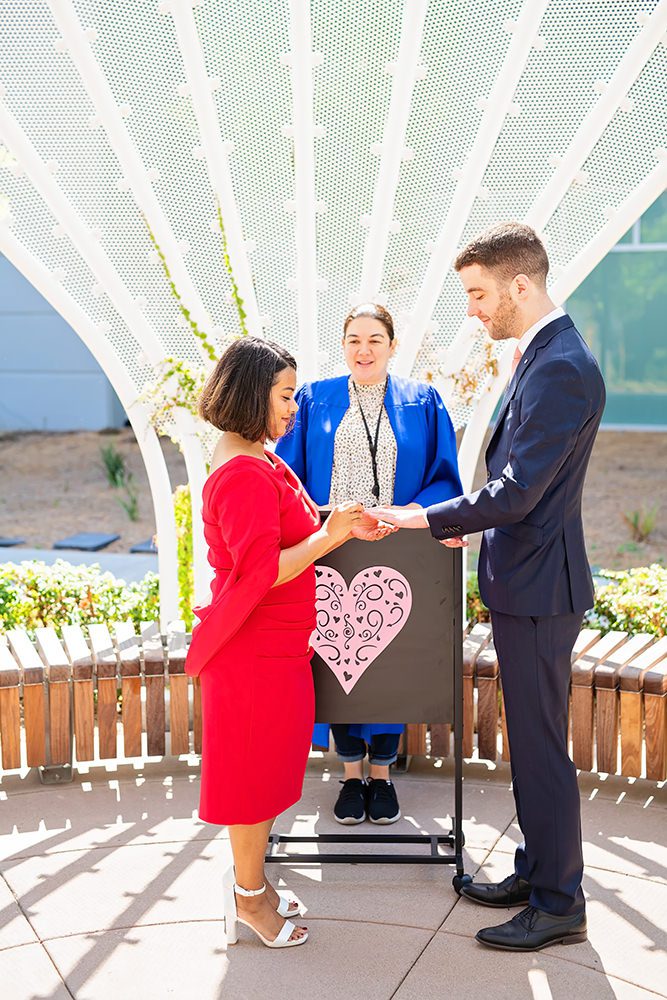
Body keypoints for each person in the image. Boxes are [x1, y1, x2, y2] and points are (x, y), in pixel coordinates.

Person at [368, 222, 605, 952]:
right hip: (527, 581)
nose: (473, 309)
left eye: (478, 294)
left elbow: (517, 492)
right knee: (530, 742)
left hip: (538, 588)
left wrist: (420, 518)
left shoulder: (560, 365)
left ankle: (559, 902)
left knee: (539, 748)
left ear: (520, 285)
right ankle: (538, 873)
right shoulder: (542, 356)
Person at [184, 337, 394, 950]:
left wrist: (339, 521)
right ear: (252, 394)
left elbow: (290, 529)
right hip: (253, 655)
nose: (293, 407)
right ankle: (249, 901)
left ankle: (257, 886)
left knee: (267, 773)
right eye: (283, 395)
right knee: (252, 783)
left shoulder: (256, 456)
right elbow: (260, 572)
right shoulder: (244, 471)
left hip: (273, 650)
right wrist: (331, 538)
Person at [276, 303, 462, 825]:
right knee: (338, 659)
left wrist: (410, 514)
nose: (364, 349)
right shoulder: (315, 399)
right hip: (332, 547)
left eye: (375, 340)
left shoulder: (421, 401)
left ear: (392, 345)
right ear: (343, 345)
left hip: (399, 547)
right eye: (354, 339)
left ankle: (381, 774)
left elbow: (444, 476)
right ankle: (350, 772)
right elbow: (289, 474)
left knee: (390, 658)